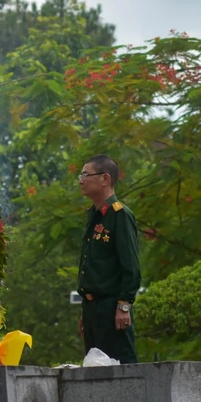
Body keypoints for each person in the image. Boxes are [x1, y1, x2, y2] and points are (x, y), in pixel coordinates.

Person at [76, 155, 141, 364]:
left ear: (105, 178)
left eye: (86, 174)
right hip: (92, 309)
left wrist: (124, 305)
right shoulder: (94, 216)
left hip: (112, 308)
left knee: (121, 367)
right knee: (95, 367)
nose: (81, 180)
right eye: (81, 175)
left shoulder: (119, 215)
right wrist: (86, 310)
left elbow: (130, 264)